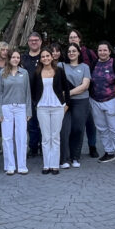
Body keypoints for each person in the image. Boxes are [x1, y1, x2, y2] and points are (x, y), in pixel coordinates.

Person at [32, 46, 70, 174]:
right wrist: (36, 103)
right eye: (43, 56)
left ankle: (54, 165)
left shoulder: (59, 71)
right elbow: (33, 91)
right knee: (45, 137)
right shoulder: (37, 73)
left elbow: (67, 88)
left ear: (52, 57)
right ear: (40, 59)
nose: (45, 58)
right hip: (42, 108)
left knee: (55, 137)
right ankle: (46, 165)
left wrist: (66, 104)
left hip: (57, 107)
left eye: (47, 56)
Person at [91, 42, 115, 166]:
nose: (102, 52)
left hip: (112, 100)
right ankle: (109, 152)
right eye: (100, 50)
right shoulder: (94, 64)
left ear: (109, 51)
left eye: (105, 50)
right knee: (102, 128)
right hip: (95, 101)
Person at [0, 50, 31, 174]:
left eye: (17, 57)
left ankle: (22, 165)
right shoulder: (2, 73)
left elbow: (28, 92)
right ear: (9, 59)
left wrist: (28, 111)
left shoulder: (24, 73)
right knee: (7, 137)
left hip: (21, 107)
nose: (15, 59)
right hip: (6, 107)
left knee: (21, 136)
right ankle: (10, 165)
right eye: (13, 57)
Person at [67, 29, 99, 158]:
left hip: (88, 92)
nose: (73, 39)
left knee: (90, 121)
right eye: (71, 37)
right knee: (75, 122)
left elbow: (96, 66)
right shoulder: (68, 53)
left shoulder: (89, 53)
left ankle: (92, 146)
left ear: (79, 38)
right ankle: (72, 149)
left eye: (75, 37)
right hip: (72, 95)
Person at [60, 43, 91, 169]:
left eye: (74, 51)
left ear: (78, 52)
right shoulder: (61, 66)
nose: (71, 53)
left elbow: (85, 86)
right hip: (64, 103)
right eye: (69, 51)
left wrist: (68, 93)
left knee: (78, 129)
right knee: (64, 130)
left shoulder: (85, 67)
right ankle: (64, 158)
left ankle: (75, 157)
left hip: (81, 101)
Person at [21, 31, 43, 158]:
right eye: (31, 40)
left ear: (40, 42)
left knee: (44, 123)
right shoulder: (23, 58)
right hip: (27, 96)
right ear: (28, 42)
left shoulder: (45, 56)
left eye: (36, 40)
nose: (34, 42)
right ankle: (33, 147)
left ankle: (44, 147)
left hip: (43, 95)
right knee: (31, 124)